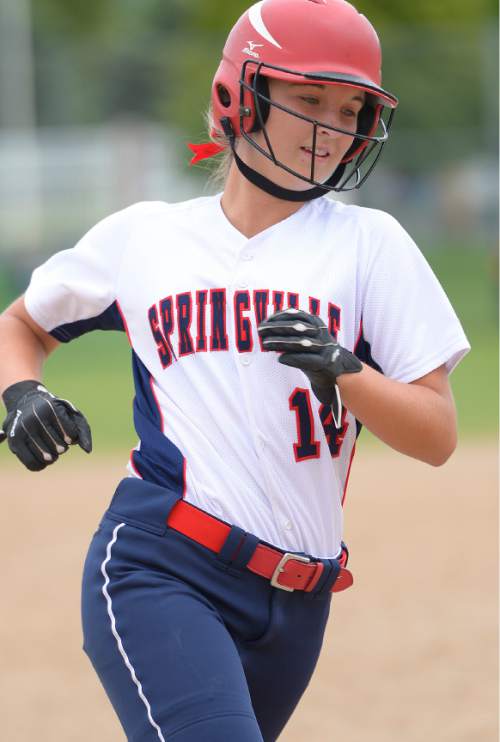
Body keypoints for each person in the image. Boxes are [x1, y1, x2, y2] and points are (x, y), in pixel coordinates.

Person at [0, 0, 470, 740]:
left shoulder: (371, 246)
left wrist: (345, 369)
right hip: (163, 565)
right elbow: (22, 323)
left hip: (297, 601)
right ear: (241, 95)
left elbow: (437, 433)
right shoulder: (147, 238)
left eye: (351, 108)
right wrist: (21, 391)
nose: (331, 127)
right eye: (308, 99)